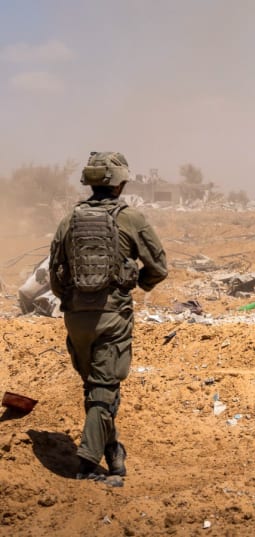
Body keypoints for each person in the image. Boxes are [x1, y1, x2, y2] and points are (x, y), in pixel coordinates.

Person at [49, 151, 168, 479]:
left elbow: (55, 276)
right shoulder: (132, 219)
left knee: (96, 387)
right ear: (119, 185)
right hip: (112, 317)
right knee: (103, 388)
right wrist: (136, 284)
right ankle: (87, 460)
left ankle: (114, 452)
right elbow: (159, 268)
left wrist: (74, 302)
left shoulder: (68, 220)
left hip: (75, 318)